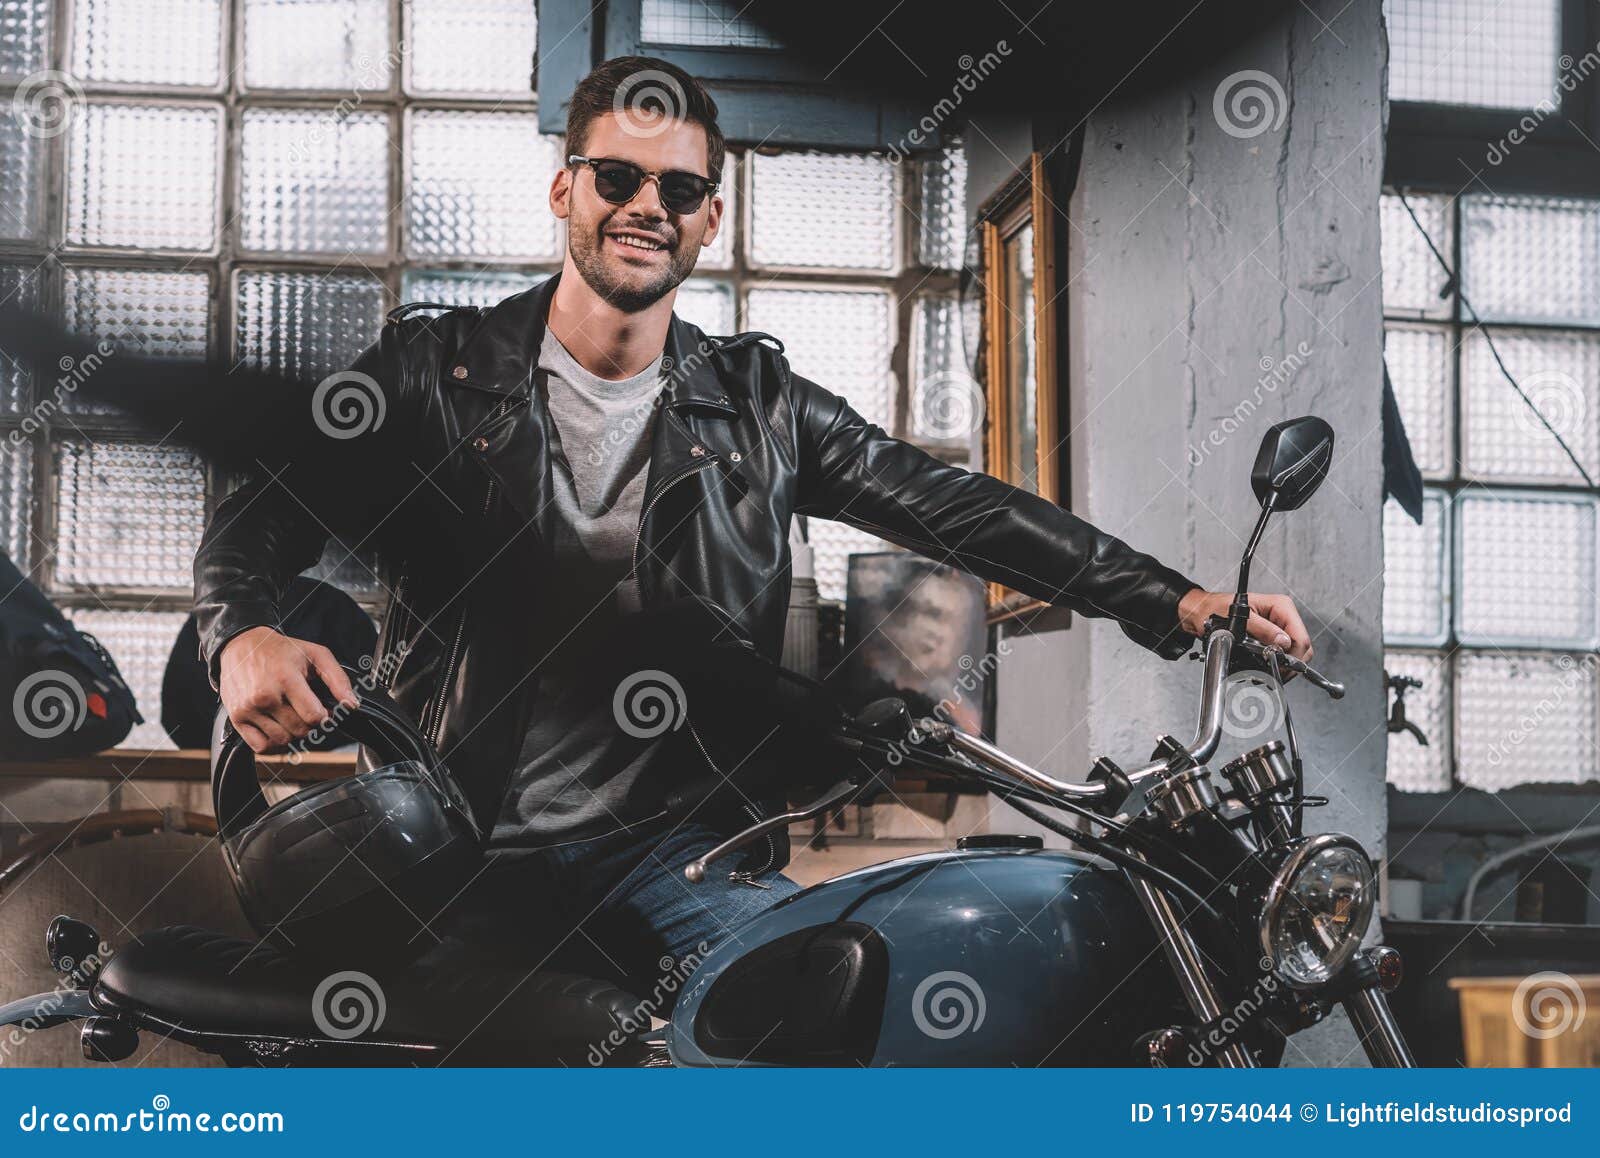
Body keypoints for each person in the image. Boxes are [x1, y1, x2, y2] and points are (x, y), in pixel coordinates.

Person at [195, 56, 1312, 1002]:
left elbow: (952, 505)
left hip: (686, 854)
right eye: (618, 177)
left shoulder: (761, 408)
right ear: (564, 189)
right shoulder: (432, 375)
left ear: (710, 217)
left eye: (679, 189)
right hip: (463, 841)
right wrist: (240, 629)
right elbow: (259, 520)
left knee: (835, 1029)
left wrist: (1173, 602)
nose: (648, 207)